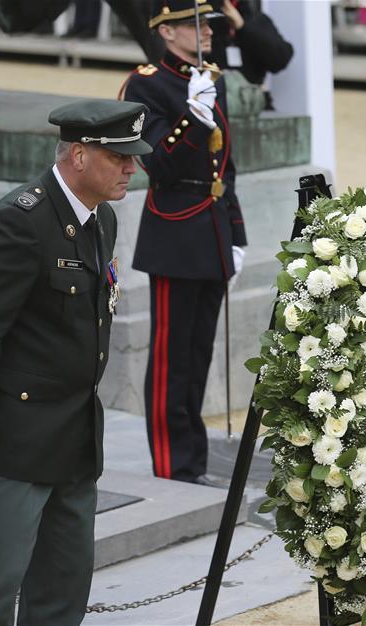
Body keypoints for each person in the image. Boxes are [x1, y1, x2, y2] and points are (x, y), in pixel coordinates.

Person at [0, 98, 150, 626]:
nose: (132, 168)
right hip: (16, 443)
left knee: (63, 592)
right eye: (119, 157)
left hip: (76, 440)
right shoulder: (19, 223)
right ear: (79, 156)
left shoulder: (101, 219)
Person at [122, 0, 247, 485]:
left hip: (211, 229)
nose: (209, 33)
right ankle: (173, 466)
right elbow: (160, 164)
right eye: (196, 25)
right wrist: (193, 118)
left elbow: (226, 167)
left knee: (198, 355)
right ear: (167, 31)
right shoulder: (146, 82)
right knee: (172, 359)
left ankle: (193, 461)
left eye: (210, 24)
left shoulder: (210, 79)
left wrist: (236, 233)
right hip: (176, 228)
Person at [208, 0, 293, 109]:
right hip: (213, 105)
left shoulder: (255, 18)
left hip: (252, 103)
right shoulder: (204, 21)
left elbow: (280, 59)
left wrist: (242, 27)